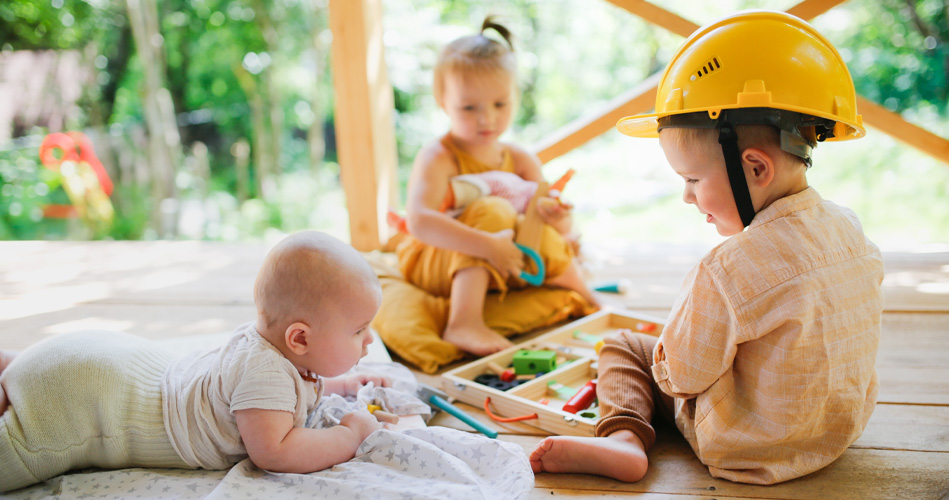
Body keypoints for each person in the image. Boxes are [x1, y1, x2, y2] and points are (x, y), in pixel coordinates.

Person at [529, 10, 884, 485]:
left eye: (693, 179)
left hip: (746, 447)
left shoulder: (728, 267)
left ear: (755, 169)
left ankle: (624, 442)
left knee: (625, 345)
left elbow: (680, 378)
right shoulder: (853, 231)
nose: (688, 196)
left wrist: (672, 339)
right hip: (831, 435)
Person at [0, 231, 392, 492]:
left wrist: (341, 384)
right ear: (300, 338)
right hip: (88, 399)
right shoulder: (265, 373)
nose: (369, 339)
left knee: (22, 375)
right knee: (18, 446)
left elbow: (294, 389)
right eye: (359, 330)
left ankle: (15, 368)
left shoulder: (266, 343)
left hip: (101, 360)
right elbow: (275, 451)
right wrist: (350, 436)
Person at [397, 16, 597, 357]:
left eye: (499, 104)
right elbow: (419, 221)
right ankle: (463, 321)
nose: (486, 118)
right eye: (469, 107)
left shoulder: (521, 159)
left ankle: (588, 298)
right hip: (435, 263)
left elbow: (556, 229)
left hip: (507, 260)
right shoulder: (439, 156)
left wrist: (557, 216)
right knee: (494, 209)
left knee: (541, 227)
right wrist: (487, 245)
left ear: (515, 97)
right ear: (443, 101)